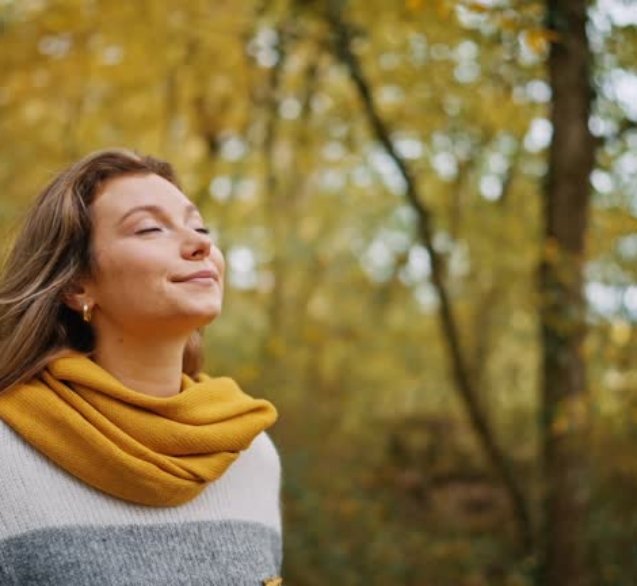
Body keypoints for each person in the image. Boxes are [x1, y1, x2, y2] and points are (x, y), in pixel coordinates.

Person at [0, 148, 283, 586]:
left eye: (200, 226)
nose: (202, 244)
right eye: (150, 229)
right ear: (76, 286)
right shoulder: (9, 456)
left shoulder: (249, 452)